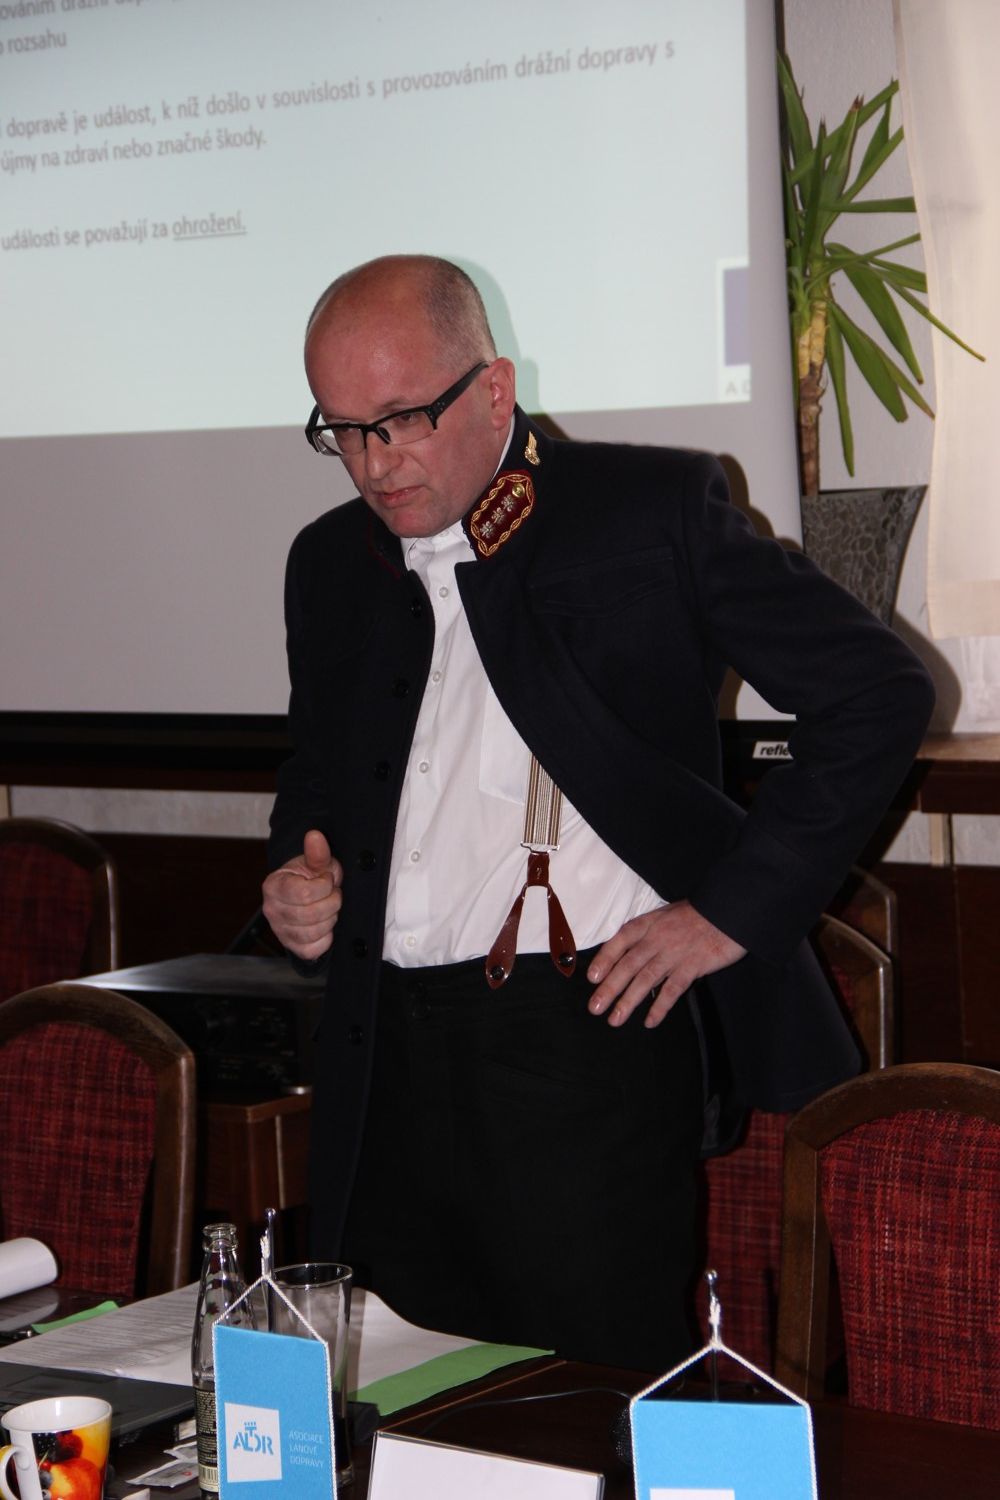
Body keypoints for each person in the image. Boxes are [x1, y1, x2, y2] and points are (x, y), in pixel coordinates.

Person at [263, 254, 934, 1371]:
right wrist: (296, 872)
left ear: (494, 389)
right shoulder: (328, 563)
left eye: (402, 420)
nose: (375, 464)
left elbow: (878, 694)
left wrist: (728, 913)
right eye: (341, 431)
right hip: (382, 1057)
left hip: (581, 1045)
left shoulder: (644, 513)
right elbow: (318, 780)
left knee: (582, 1410)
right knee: (394, 1400)